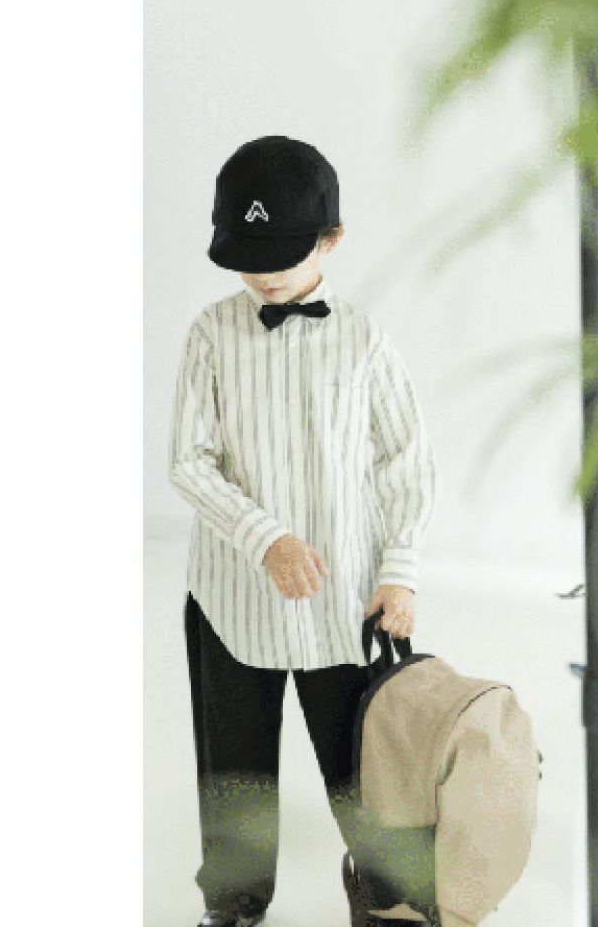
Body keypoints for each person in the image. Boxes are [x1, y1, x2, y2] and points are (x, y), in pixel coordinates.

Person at [168, 135, 438, 927]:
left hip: (342, 599)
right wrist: (266, 539)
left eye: (280, 254)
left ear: (332, 239)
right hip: (232, 596)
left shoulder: (363, 339)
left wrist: (400, 571)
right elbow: (188, 461)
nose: (263, 274)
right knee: (235, 773)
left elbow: (407, 459)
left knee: (365, 766)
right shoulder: (211, 334)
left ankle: (390, 898)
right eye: (246, 257)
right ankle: (233, 902)